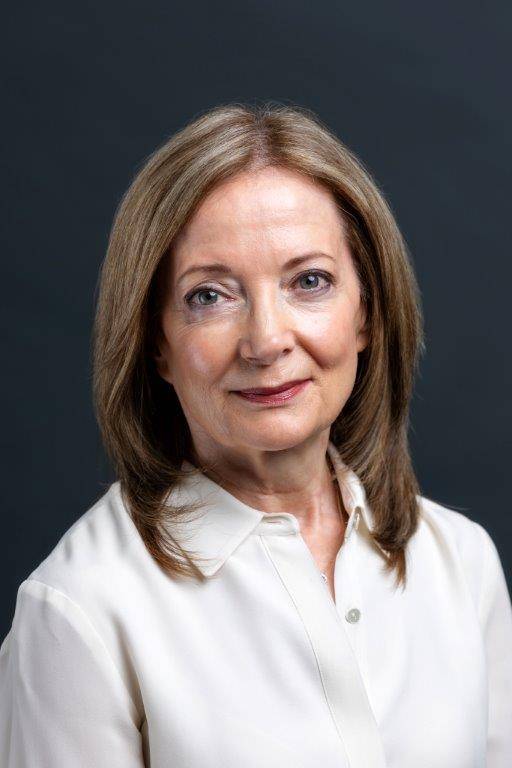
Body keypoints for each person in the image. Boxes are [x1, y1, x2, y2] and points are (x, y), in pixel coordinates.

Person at [1, 101, 511, 768]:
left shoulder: (462, 565)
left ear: (367, 314)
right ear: (156, 342)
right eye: (210, 295)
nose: (267, 341)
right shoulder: (80, 609)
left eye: (309, 281)